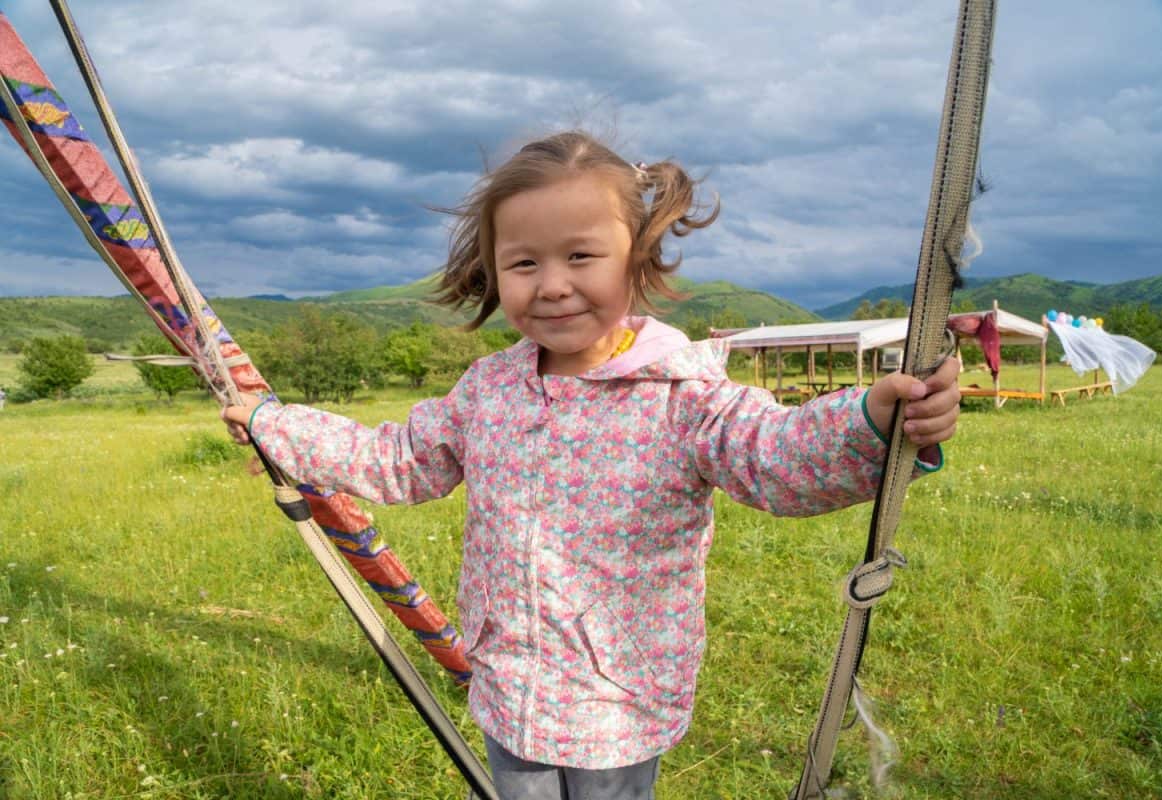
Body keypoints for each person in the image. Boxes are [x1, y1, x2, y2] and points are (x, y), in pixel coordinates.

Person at [222, 131, 960, 800]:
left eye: (580, 256)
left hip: (618, 698)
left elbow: (775, 456)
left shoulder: (682, 394)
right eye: (524, 263)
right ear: (494, 272)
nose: (552, 284)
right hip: (509, 687)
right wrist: (274, 427)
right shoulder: (488, 392)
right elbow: (397, 460)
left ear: (635, 259)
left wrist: (872, 422)